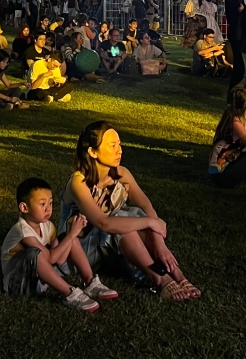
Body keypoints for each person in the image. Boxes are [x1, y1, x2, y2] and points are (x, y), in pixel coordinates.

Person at [59, 121, 201, 301]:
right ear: (92, 152)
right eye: (112, 146)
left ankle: (177, 275)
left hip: (109, 247)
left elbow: (146, 207)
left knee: (132, 215)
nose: (119, 150)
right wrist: (151, 222)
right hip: (80, 252)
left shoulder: (121, 173)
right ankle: (161, 279)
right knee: (122, 216)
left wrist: (160, 245)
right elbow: (105, 223)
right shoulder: (79, 182)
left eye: (119, 144)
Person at [0, 177, 118, 311]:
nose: (48, 209)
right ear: (24, 207)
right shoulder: (22, 230)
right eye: (42, 204)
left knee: (69, 239)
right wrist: (72, 233)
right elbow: (49, 258)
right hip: (19, 283)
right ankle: (70, 293)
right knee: (35, 253)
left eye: (50, 203)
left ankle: (90, 282)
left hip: (39, 279)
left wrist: (72, 233)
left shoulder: (47, 226)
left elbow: (59, 258)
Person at [224, 0, 246, 98]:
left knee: (240, 65)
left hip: (237, 30)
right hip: (236, 31)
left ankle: (235, 93)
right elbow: (240, 10)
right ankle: (233, 94)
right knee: (239, 64)